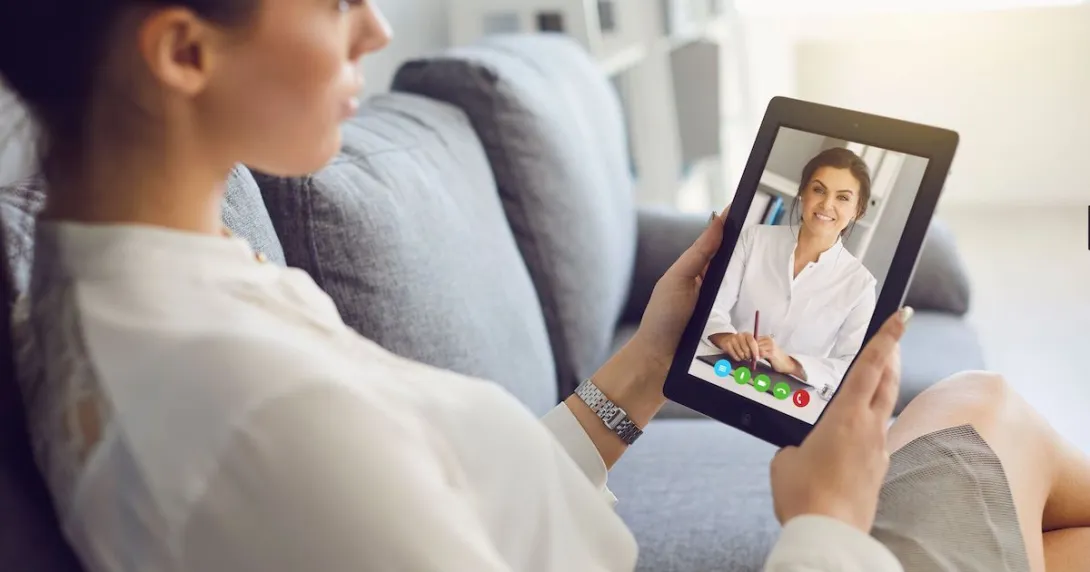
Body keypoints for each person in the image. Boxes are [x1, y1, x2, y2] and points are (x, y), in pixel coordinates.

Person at [0, 1, 1087, 571]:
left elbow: (447, 499)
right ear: (184, 51)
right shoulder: (249, 413)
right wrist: (827, 522)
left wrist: (646, 367)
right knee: (982, 408)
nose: (377, 26)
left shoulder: (132, 280)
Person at [706, 147, 878, 391]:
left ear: (857, 211)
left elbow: (851, 367)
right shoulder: (754, 239)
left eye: (842, 197)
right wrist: (727, 337)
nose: (827, 204)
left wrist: (790, 363)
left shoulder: (861, 286)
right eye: (818, 190)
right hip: (725, 372)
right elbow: (712, 306)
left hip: (789, 395)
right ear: (802, 194)